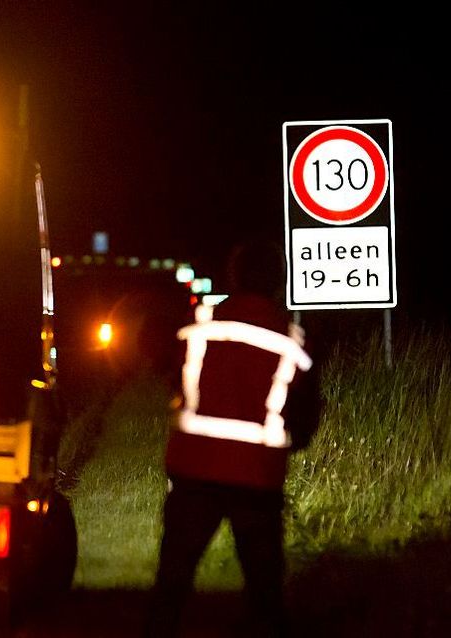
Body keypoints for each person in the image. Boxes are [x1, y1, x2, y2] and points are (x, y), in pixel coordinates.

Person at [144, 238, 323, 638]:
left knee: (171, 584)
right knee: (265, 594)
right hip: (257, 481)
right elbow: (306, 418)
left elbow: (171, 374)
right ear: (278, 282)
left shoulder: (199, 327)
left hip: (194, 473)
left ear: (234, 276)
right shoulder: (294, 343)